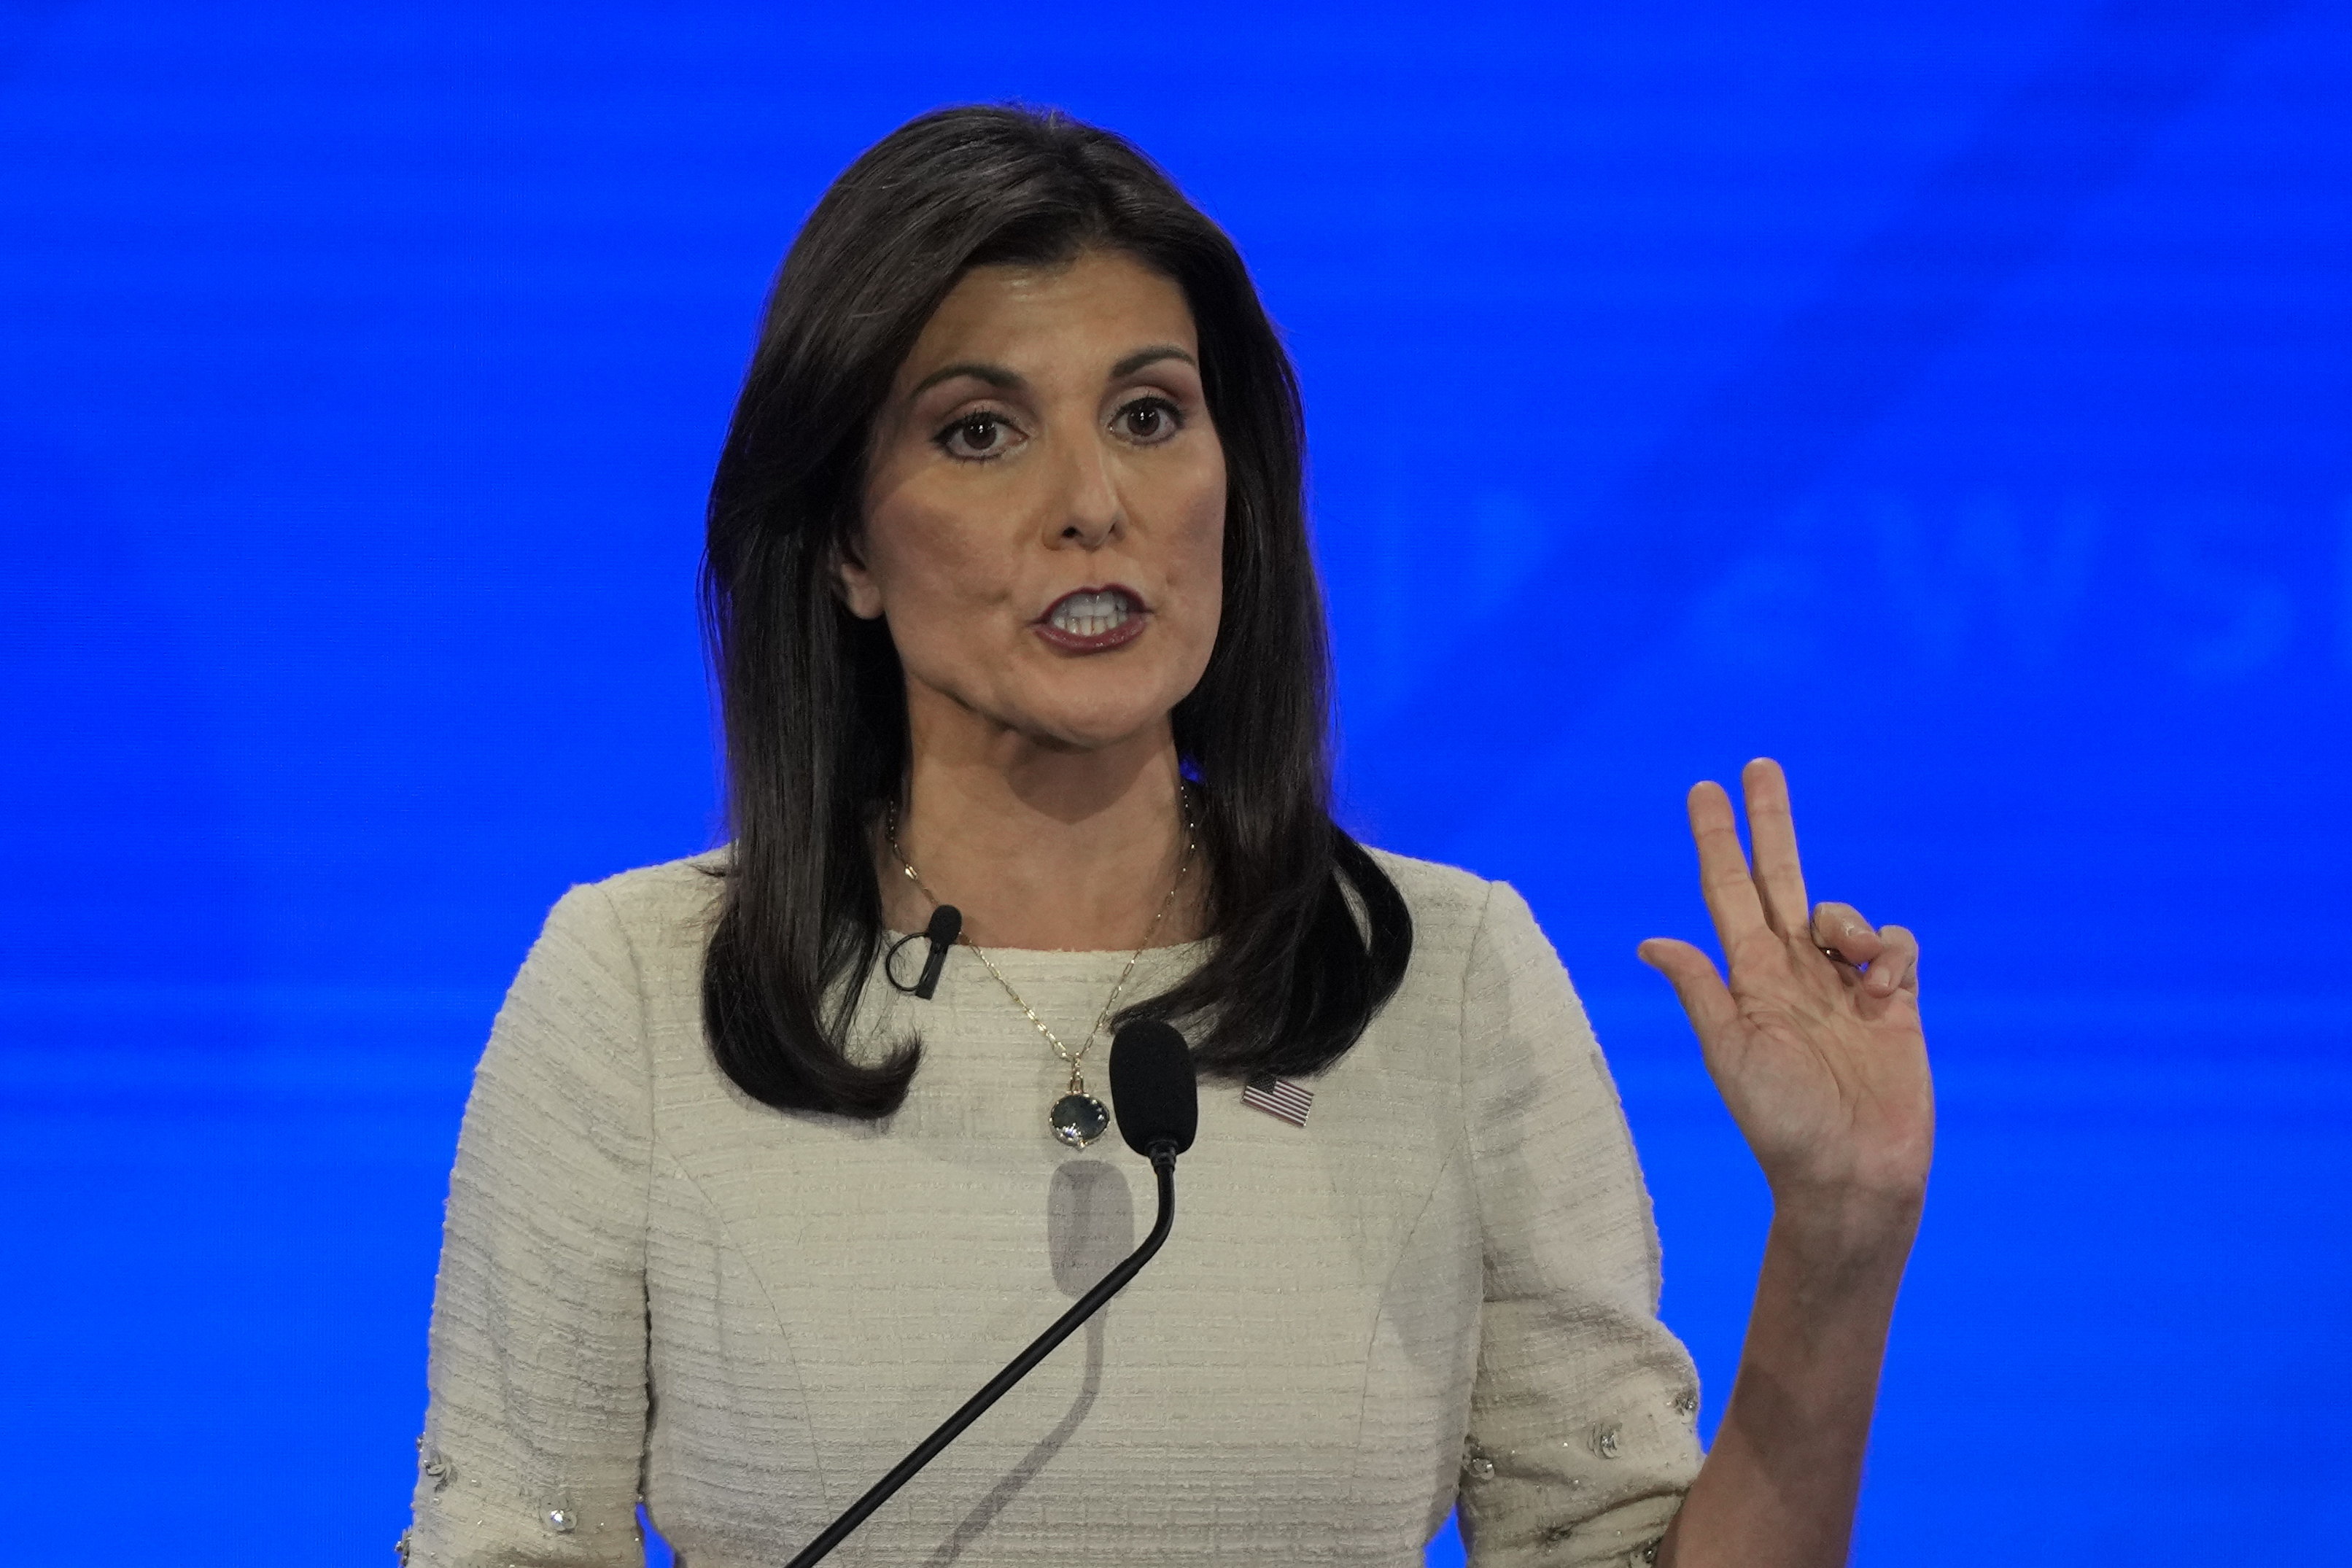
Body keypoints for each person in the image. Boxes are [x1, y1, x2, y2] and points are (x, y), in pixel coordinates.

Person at [405, 106, 1931, 1568]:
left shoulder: (1444, 980)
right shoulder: (638, 993)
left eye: (1148, 415)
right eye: (980, 430)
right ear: (848, 547)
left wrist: (1839, 1235)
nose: (1093, 503)